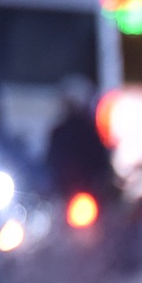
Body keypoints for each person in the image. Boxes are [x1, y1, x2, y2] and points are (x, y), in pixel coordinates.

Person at [43, 75, 115, 204]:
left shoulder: (89, 132)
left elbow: (101, 166)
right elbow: (50, 166)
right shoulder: (85, 131)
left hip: (86, 196)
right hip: (65, 196)